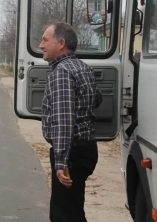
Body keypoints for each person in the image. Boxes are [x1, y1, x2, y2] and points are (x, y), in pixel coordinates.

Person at [39, 22, 102, 222]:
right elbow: (97, 99)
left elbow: (64, 121)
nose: (41, 45)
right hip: (85, 148)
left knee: (63, 215)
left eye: (45, 40)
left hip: (72, 152)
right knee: (73, 210)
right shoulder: (82, 67)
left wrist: (61, 162)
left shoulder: (62, 72)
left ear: (61, 43)